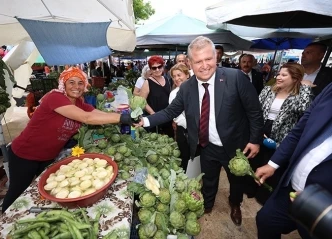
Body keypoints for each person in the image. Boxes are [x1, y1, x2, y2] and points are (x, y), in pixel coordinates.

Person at [138, 36, 264, 225]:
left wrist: (254, 140)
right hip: (207, 145)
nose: (204, 65)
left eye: (208, 59)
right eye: (198, 61)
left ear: (216, 57)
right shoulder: (187, 87)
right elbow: (171, 111)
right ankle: (207, 204)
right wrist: (144, 121)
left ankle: (235, 204)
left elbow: (254, 111)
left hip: (236, 146)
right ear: (189, 63)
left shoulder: (235, 78)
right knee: (209, 179)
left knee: (236, 181)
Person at [2, 67, 134, 212]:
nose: (76, 87)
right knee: (17, 192)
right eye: (71, 82)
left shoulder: (79, 103)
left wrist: (121, 116)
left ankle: (31, 215)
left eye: (80, 83)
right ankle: (2, 228)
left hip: (48, 156)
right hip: (25, 154)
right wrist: (122, 118)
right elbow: (87, 118)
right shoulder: (55, 98)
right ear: (63, 84)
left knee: (48, 191)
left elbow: (95, 112)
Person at [255, 82, 332, 239]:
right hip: (290, 189)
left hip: (324, 207)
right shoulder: (329, 90)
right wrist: (272, 164)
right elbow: (299, 131)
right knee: (266, 220)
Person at [250, 63, 314, 204]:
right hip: (263, 129)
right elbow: (257, 110)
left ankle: (264, 196)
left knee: (273, 165)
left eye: (284, 75)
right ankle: (251, 189)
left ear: (295, 78)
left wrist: (306, 87)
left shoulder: (300, 96)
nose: (278, 77)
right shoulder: (268, 90)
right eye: (278, 74)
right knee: (256, 160)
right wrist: (258, 131)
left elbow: (306, 112)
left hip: (283, 136)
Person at [140, 55, 174, 138]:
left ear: (163, 66)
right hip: (154, 120)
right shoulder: (147, 83)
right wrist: (152, 113)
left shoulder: (168, 80)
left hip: (168, 118)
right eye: (154, 68)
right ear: (150, 69)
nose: (157, 70)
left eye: (159, 67)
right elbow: (142, 101)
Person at [169, 63, 191, 171]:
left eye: (179, 75)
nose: (177, 78)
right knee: (185, 157)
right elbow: (176, 116)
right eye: (174, 76)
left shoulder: (198, 90)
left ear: (187, 75)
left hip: (202, 131)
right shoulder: (173, 94)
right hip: (184, 131)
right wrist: (192, 126)